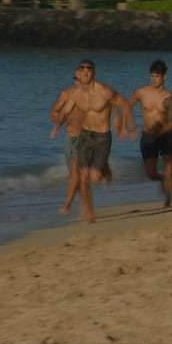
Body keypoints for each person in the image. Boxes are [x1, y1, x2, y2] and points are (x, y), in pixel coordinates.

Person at [52, 59, 133, 223]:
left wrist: (124, 126)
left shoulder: (104, 91)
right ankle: (89, 210)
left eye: (89, 69)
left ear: (93, 73)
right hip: (86, 134)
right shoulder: (75, 94)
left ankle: (104, 168)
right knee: (84, 174)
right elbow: (65, 111)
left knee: (95, 177)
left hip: (102, 137)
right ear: (79, 74)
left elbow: (124, 104)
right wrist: (58, 127)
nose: (86, 72)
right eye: (83, 69)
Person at [128, 60, 172, 207]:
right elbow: (126, 105)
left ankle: (168, 197)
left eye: (157, 76)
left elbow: (171, 123)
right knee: (150, 174)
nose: (154, 79)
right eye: (152, 76)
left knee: (169, 165)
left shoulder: (170, 98)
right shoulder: (142, 92)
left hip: (166, 136)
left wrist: (160, 133)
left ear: (164, 77)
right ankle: (161, 179)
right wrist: (122, 122)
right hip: (148, 135)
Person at [49, 69, 84, 216]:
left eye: (81, 79)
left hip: (86, 138)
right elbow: (53, 112)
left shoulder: (93, 95)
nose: (78, 82)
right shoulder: (67, 93)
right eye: (75, 79)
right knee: (75, 175)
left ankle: (68, 205)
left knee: (77, 171)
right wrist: (62, 119)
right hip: (70, 137)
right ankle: (85, 204)